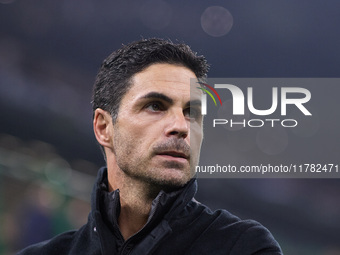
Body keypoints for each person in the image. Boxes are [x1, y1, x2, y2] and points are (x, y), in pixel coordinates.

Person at [17, 38, 283, 255]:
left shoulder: (244, 247)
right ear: (103, 128)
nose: (181, 126)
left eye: (192, 112)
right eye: (155, 106)